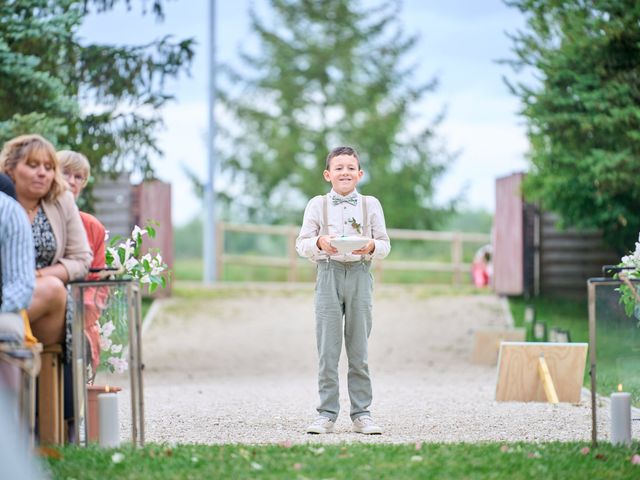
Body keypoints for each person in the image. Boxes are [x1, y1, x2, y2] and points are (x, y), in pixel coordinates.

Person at [296, 146, 390, 435]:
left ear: (359, 174)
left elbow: (384, 244)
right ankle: (326, 414)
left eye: (351, 167)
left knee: (359, 349)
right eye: (339, 168)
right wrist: (319, 243)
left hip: (361, 274)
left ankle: (362, 414)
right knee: (328, 349)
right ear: (328, 174)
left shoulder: (371, 204)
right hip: (328, 273)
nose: (345, 172)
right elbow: (301, 244)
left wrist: (372, 246)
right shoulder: (317, 205)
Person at [0, 134, 92, 352]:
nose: (42, 173)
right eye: (33, 165)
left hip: (47, 301)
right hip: (4, 290)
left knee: (52, 289)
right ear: (10, 169)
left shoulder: (62, 201)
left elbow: (81, 259)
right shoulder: (4, 205)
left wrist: (37, 276)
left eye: (49, 167)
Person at [57, 150, 107, 372]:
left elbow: (98, 282)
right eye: (65, 173)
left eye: (78, 177)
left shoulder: (92, 226)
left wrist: (80, 315)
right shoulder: (34, 216)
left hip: (81, 317)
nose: (71, 181)